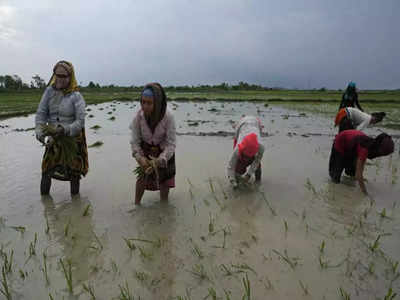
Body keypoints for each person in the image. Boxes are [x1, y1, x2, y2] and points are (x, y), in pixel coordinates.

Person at [35, 61, 88, 195]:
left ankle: (76, 205)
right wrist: (40, 133)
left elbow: (80, 121)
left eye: (64, 76)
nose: (60, 79)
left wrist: (64, 130)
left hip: (71, 137)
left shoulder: (76, 96)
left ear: (70, 77)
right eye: (57, 75)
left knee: (74, 173)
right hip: (53, 138)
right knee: (46, 170)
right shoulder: (49, 92)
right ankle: (45, 201)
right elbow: (41, 114)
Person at [129, 83, 176, 205]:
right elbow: (135, 141)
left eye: (149, 103)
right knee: (141, 178)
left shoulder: (168, 116)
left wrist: (161, 159)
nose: (145, 106)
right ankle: (136, 205)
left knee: (165, 181)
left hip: (164, 150)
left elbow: (171, 144)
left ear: (158, 103)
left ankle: (164, 206)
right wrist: (140, 158)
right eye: (143, 102)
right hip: (147, 150)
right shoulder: (138, 117)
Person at [329, 130, 394, 194]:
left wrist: (360, 176)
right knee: (335, 177)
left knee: (351, 172)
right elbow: (358, 174)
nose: (382, 155)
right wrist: (364, 192)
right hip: (341, 141)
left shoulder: (373, 145)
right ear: (380, 149)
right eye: (384, 153)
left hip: (352, 143)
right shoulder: (365, 149)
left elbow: (360, 165)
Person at [227, 116, 265, 188]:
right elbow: (230, 167)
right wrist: (233, 181)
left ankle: (258, 183)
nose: (247, 159)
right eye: (246, 157)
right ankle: (237, 179)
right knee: (238, 166)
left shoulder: (261, 147)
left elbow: (257, 161)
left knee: (258, 165)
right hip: (241, 125)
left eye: (249, 157)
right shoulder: (237, 149)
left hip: (256, 123)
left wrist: (248, 175)